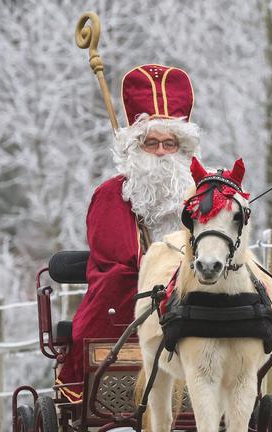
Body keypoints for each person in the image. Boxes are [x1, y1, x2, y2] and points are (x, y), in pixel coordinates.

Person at [56, 64, 199, 402]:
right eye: (151, 143)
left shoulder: (199, 193)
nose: (162, 152)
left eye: (170, 143)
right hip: (130, 300)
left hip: (192, 292)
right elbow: (116, 257)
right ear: (135, 149)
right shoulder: (111, 195)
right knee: (121, 283)